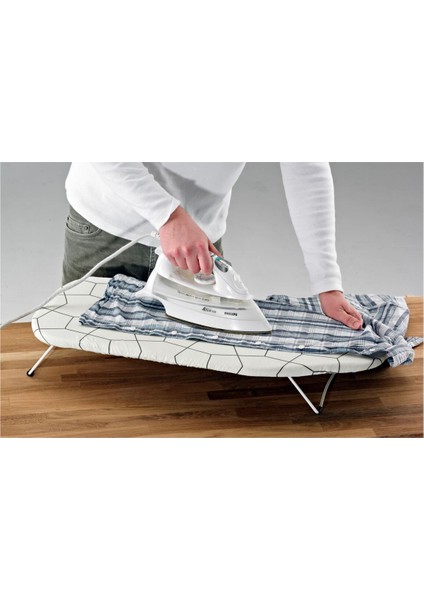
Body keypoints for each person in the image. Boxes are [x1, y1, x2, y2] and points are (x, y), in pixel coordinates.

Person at [62, 162, 363, 330]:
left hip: (197, 241)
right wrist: (167, 215)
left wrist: (327, 283)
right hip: (108, 224)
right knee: (84, 354)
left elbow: (306, 169)